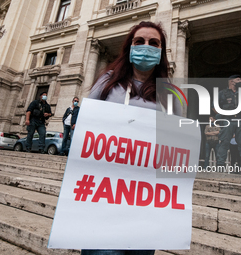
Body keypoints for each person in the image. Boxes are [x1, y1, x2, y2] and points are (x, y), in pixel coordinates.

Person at [82, 21, 181, 255]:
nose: (146, 46)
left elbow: (176, 143)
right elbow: (85, 125)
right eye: (139, 41)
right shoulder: (107, 81)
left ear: (161, 51)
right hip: (105, 191)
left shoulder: (170, 93)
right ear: (129, 47)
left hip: (146, 195)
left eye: (153, 43)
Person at [214, 75, 241, 168]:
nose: (240, 81)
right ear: (231, 81)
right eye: (238, 79)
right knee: (224, 143)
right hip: (228, 120)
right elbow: (214, 106)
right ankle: (220, 165)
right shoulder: (222, 93)